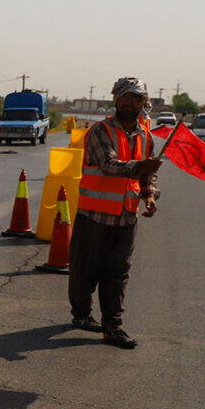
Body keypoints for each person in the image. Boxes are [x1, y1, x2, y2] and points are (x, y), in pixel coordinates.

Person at [68, 77, 161, 349]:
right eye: (124, 98)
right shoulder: (100, 131)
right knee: (86, 271)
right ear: (116, 100)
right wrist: (141, 166)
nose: (129, 103)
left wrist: (150, 195)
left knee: (118, 273)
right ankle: (82, 315)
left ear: (143, 103)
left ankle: (113, 326)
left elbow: (148, 176)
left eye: (135, 99)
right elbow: (109, 165)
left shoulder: (146, 137)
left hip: (126, 216)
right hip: (94, 216)